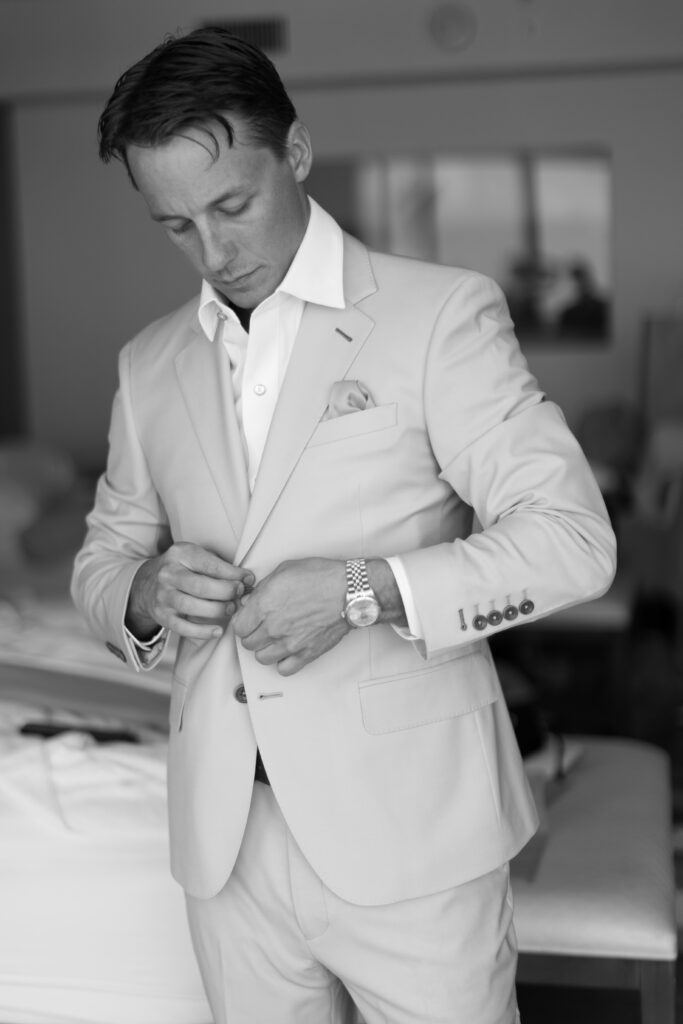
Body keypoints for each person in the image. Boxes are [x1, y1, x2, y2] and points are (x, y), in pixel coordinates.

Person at [72, 27, 617, 1024]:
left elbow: (571, 539)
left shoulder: (439, 315)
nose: (214, 250)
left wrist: (362, 591)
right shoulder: (147, 364)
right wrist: (145, 590)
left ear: (296, 154)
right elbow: (106, 552)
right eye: (176, 225)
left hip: (410, 838)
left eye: (232, 204)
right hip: (223, 842)